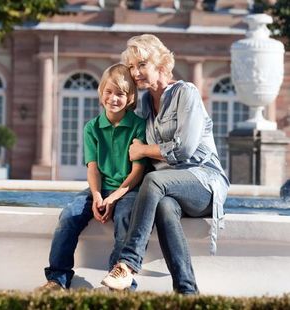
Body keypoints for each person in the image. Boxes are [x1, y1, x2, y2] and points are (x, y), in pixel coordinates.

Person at [101, 34, 230, 294]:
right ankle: (187, 291)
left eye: (142, 65)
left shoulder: (186, 93)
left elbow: (184, 149)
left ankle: (127, 263)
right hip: (169, 189)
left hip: (204, 182)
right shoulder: (145, 105)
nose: (135, 73)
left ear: (161, 64)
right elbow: (135, 155)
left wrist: (144, 149)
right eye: (132, 67)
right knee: (165, 208)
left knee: (155, 180)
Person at [40, 63, 147, 290]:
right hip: (100, 188)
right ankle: (57, 278)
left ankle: (119, 282)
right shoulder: (92, 128)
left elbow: (137, 172)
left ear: (130, 98)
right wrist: (98, 197)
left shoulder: (139, 126)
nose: (113, 98)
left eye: (120, 94)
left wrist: (114, 198)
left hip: (128, 189)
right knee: (69, 215)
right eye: (108, 92)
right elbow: (93, 169)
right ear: (101, 94)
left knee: (125, 219)